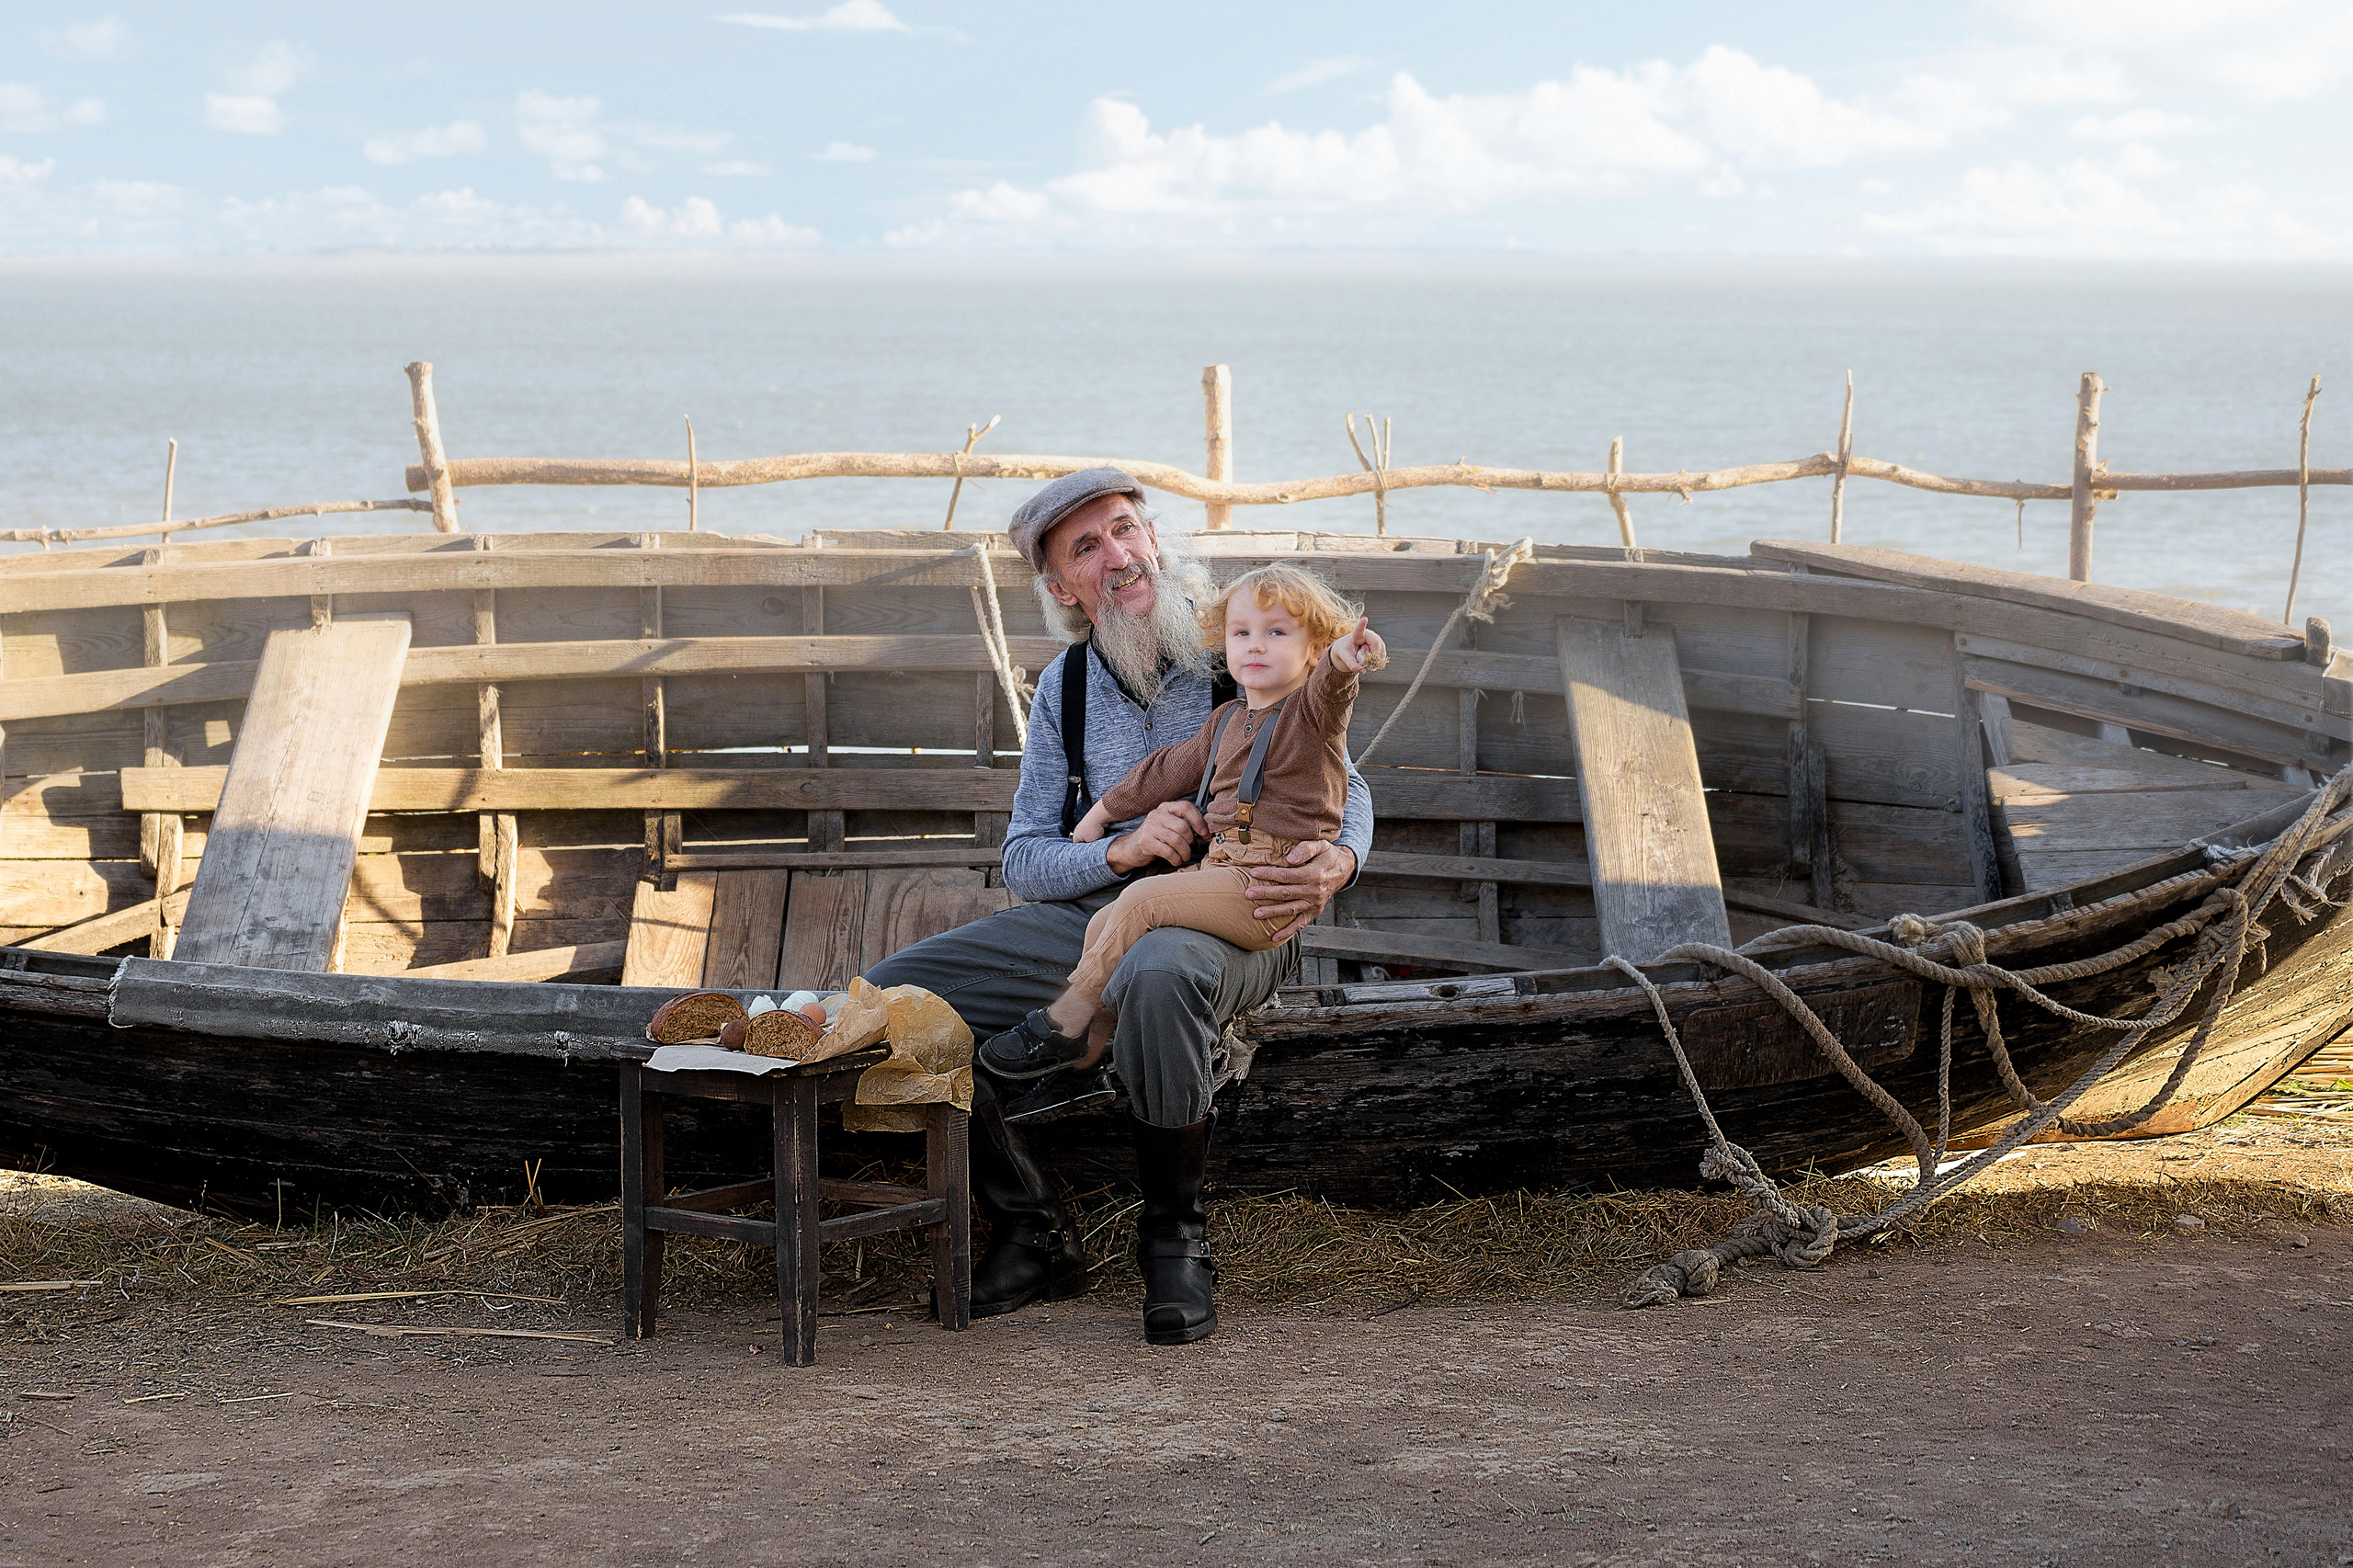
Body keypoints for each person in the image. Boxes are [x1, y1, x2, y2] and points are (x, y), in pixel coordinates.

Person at [860, 468, 1374, 1346]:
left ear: (1154, 541)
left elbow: (1347, 786)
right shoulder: (1061, 689)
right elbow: (1023, 857)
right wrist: (1117, 850)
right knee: (894, 1002)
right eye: (1088, 547)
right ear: (1063, 587)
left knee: (1161, 969)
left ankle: (1175, 1239)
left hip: (1240, 910)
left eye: (1127, 530)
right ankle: (1033, 1229)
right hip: (1088, 915)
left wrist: (1338, 862)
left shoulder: (1239, 656)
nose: (1120, 556)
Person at [976, 565, 1386, 1082]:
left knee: (1142, 904)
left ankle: (1065, 1020)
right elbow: (1164, 771)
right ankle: (1095, 1040)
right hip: (1222, 868)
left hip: (1265, 884)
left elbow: (1331, 695)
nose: (1255, 645)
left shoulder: (1311, 716)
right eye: (1242, 634)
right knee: (1107, 922)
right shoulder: (1227, 719)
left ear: (1312, 647)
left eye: (1277, 632)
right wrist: (1102, 816)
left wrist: (1342, 662)